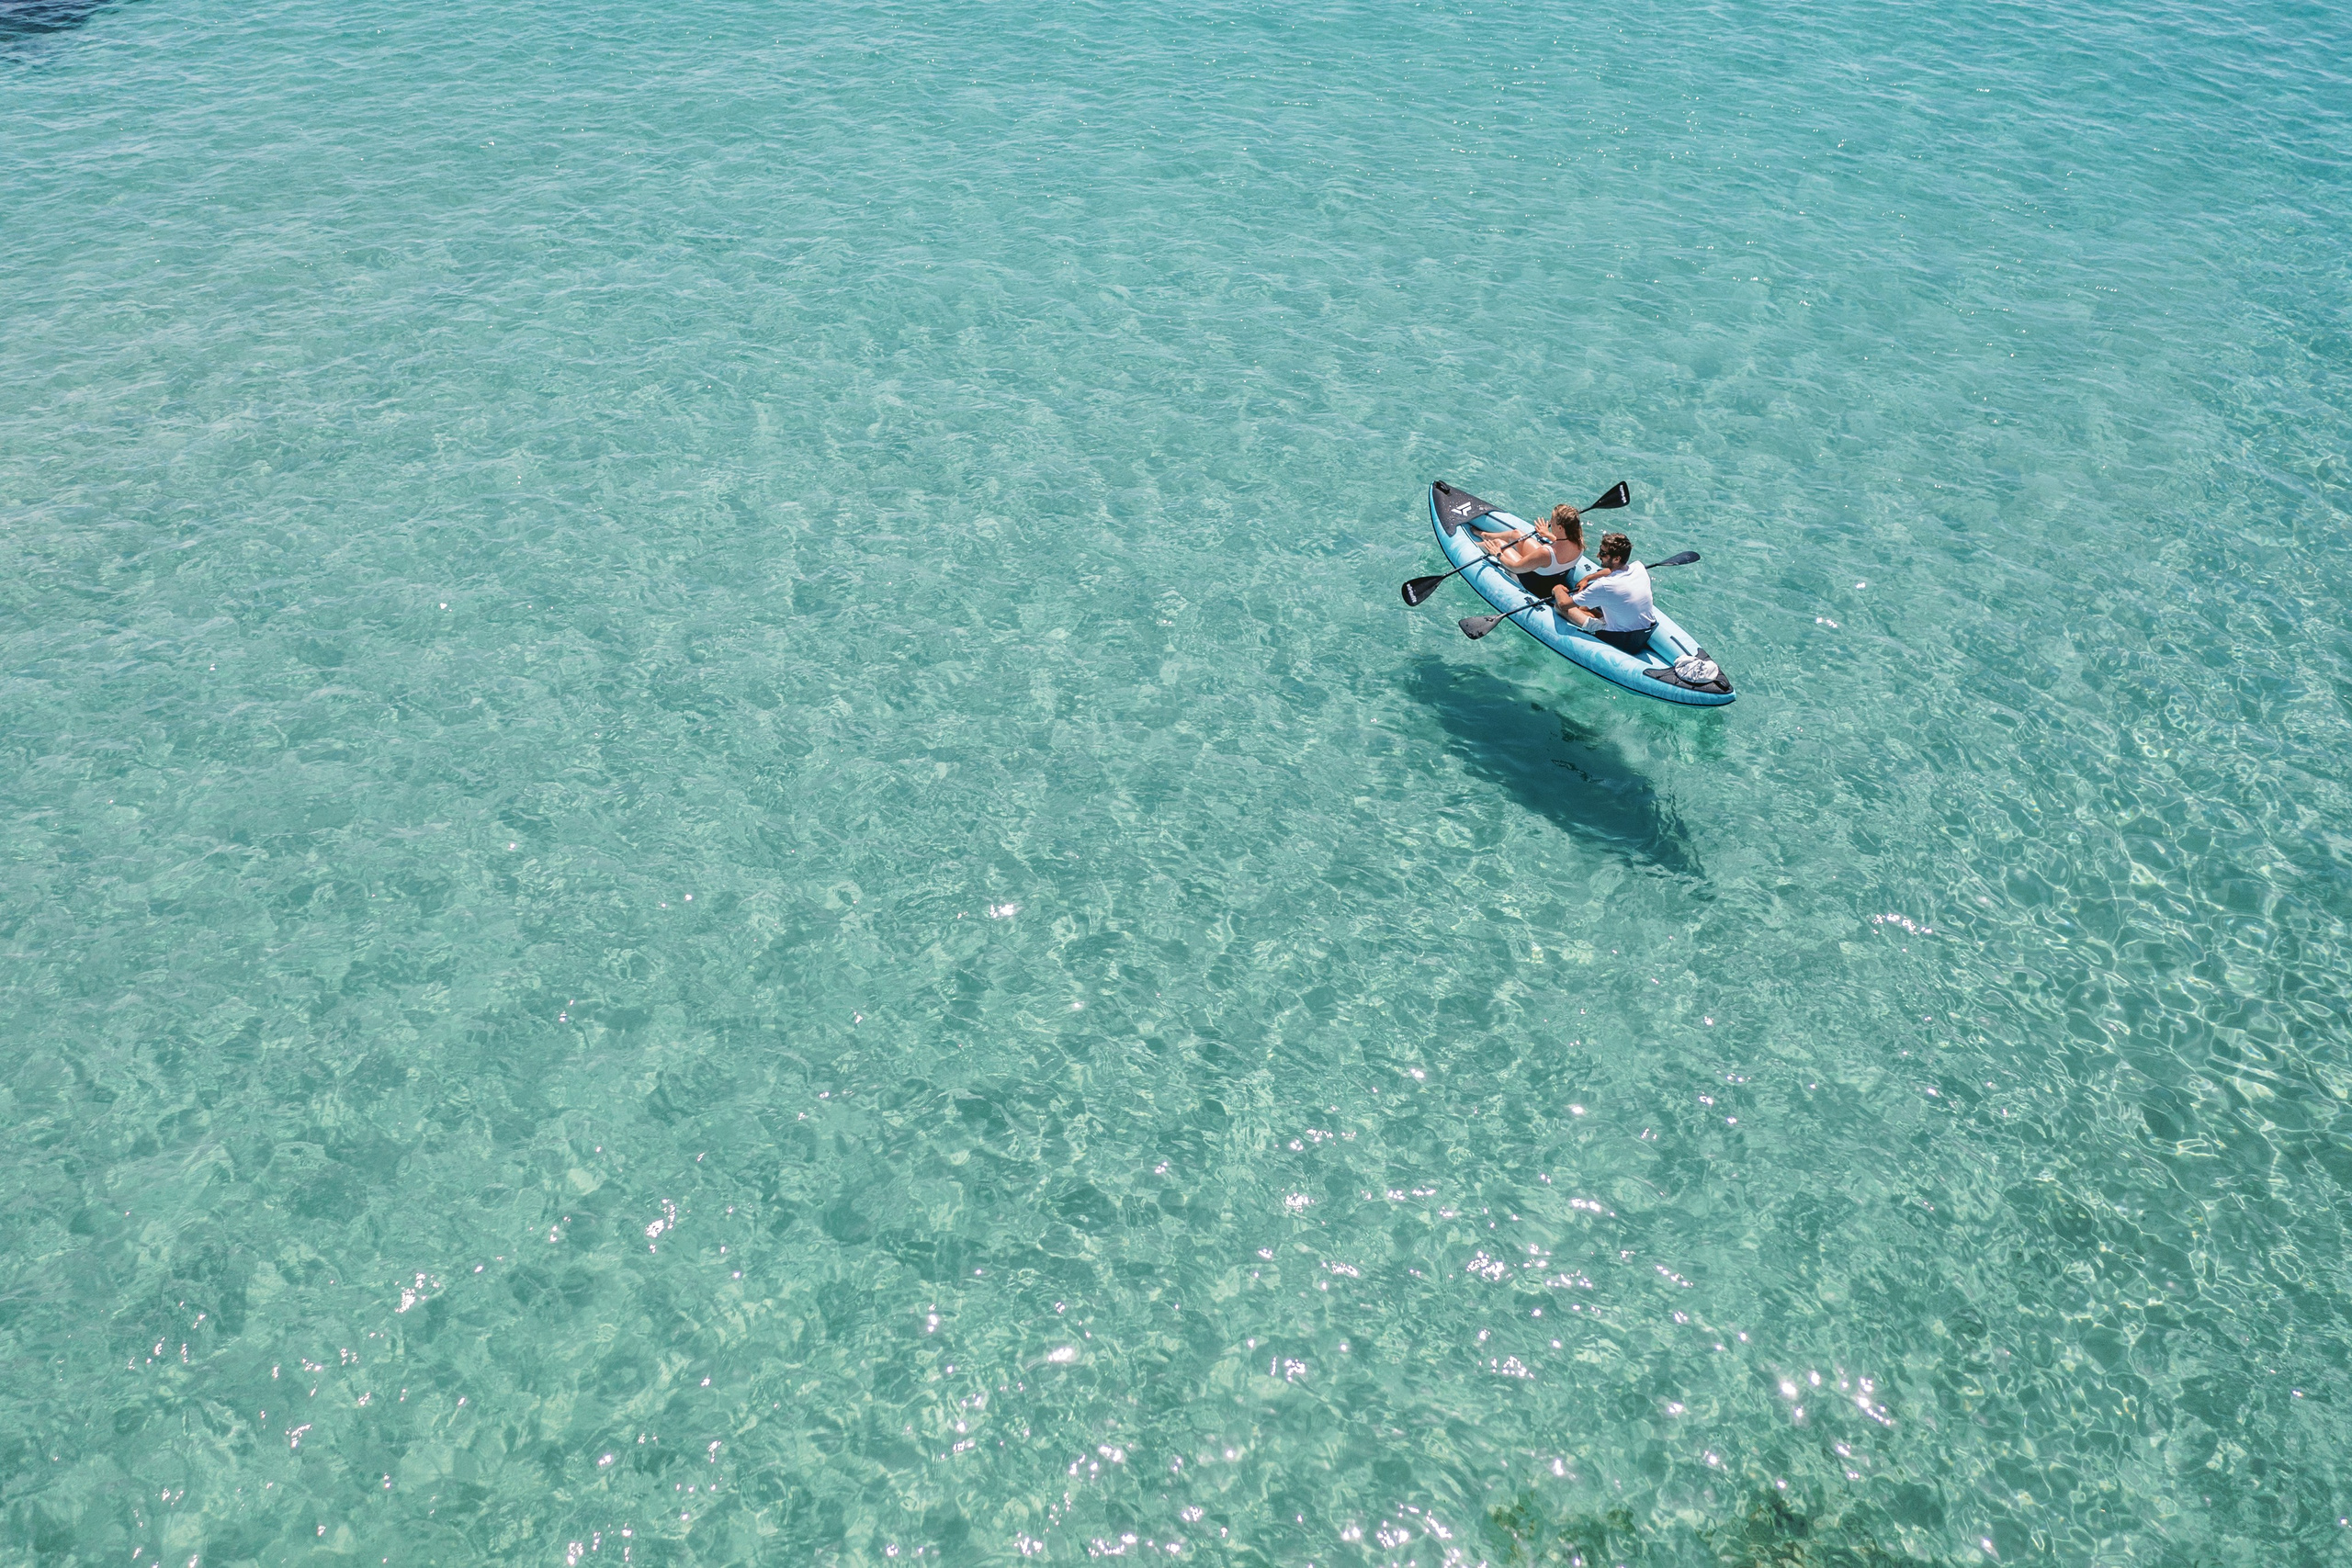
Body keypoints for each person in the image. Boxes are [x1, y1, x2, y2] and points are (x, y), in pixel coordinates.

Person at [1554, 532, 1656, 655]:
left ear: (1617, 558)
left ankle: (1593, 620)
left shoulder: (1604, 585)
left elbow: (1564, 604)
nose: (1598, 555)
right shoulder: (1639, 567)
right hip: (1644, 633)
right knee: (1585, 605)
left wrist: (1557, 588)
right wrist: (1589, 577)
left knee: (1559, 607)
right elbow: (1612, 571)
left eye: (1603, 553)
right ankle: (1593, 614)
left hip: (1619, 638)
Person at [1476, 503, 1585, 599]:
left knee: (1499, 544)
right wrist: (1547, 534)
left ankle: (1474, 544)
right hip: (1553, 574)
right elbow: (1564, 543)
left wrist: (1498, 554)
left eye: (1553, 520)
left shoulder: (1545, 552)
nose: (1550, 522)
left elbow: (1515, 568)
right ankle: (1485, 535)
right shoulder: (1580, 542)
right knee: (1516, 534)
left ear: (1561, 528)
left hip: (1531, 582)